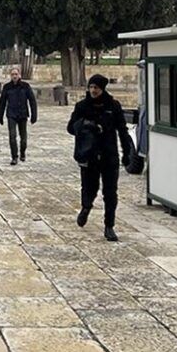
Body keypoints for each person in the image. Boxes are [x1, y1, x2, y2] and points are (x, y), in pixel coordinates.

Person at [66, 74, 130, 242]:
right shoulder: (82, 106)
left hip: (109, 155)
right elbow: (71, 128)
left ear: (102, 88)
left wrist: (127, 153)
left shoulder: (113, 106)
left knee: (110, 192)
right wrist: (86, 125)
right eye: (91, 87)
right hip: (89, 154)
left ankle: (109, 225)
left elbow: (122, 131)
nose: (93, 90)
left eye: (96, 87)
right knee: (89, 188)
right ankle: (86, 207)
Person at [0, 67, 38, 165]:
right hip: (11, 114)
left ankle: (22, 152)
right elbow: (2, 102)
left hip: (22, 114)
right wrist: (0, 115)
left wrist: (34, 115)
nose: (14, 76)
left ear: (19, 75)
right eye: (12, 74)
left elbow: (32, 101)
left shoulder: (25, 86)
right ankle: (14, 157)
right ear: (10, 76)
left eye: (16, 74)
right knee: (12, 136)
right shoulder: (7, 87)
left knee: (23, 138)